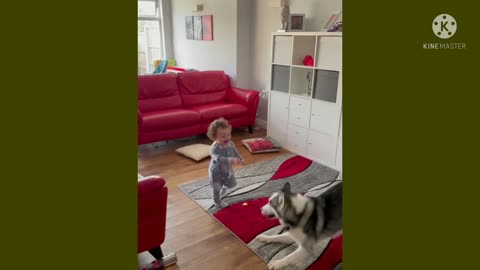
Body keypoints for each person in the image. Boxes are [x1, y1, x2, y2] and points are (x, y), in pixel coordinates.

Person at [207, 118, 245, 208]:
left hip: (227, 169)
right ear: (215, 137)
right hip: (216, 172)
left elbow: (235, 152)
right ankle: (217, 202)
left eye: (228, 134)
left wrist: (240, 159)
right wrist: (230, 160)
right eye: (223, 136)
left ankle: (224, 187)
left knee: (230, 183)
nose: (227, 137)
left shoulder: (231, 144)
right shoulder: (214, 148)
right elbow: (218, 158)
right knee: (216, 188)